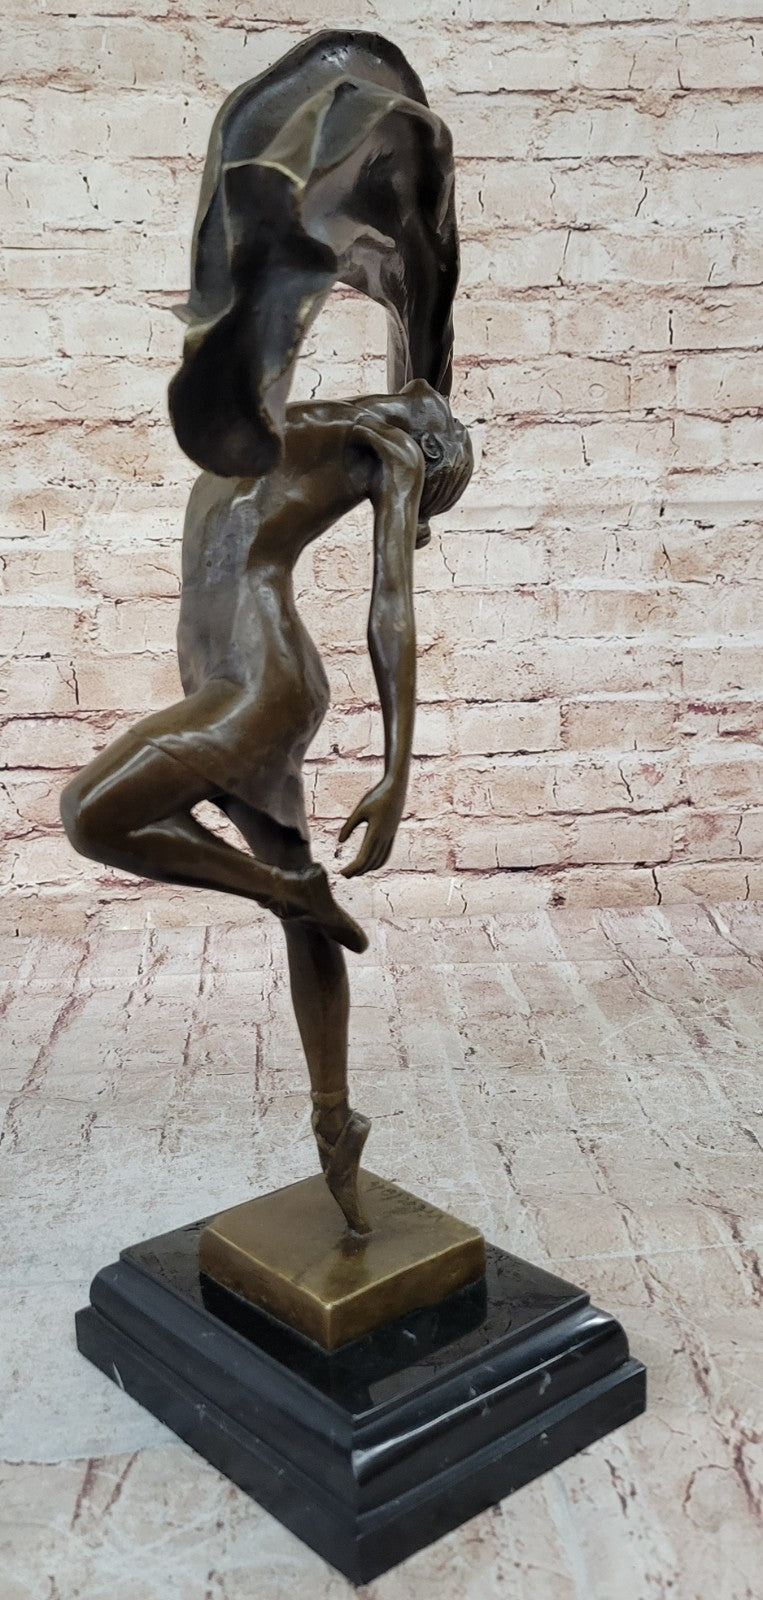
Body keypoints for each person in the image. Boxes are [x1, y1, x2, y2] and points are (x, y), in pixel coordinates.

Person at [60, 379, 473, 1232]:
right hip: (223, 680)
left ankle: (293, 891)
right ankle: (335, 1120)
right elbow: (413, 337)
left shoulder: (383, 448)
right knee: (294, 910)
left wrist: (395, 772)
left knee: (91, 815)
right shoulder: (291, 406)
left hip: (258, 689)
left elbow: (391, 608)